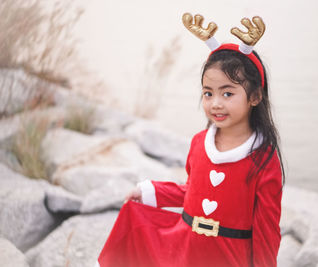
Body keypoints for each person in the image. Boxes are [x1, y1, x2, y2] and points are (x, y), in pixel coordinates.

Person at [97, 13, 284, 267]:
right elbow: (192, 191)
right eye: (208, 93)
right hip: (185, 249)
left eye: (228, 93)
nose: (215, 103)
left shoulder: (262, 158)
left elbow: (267, 229)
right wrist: (150, 192)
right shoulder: (199, 143)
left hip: (229, 257)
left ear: (255, 96)